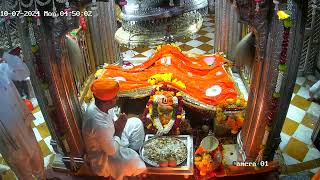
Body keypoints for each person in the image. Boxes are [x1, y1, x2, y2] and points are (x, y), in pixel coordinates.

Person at [82, 78, 146, 180]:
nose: (117, 98)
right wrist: (119, 130)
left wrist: (118, 123)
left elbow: (112, 120)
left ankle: (133, 151)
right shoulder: (98, 124)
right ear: (106, 103)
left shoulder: (99, 105)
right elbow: (111, 151)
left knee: (136, 123)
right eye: (115, 97)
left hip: (114, 136)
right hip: (106, 159)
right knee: (133, 161)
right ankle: (132, 164)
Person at [0, 48, 45, 180]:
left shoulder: (2, 69)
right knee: (22, 170)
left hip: (22, 125)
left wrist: (5, 55)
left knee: (36, 157)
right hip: (6, 138)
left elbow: (24, 72)